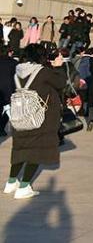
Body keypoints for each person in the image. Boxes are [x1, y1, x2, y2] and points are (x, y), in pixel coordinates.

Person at [5, 44, 67, 199]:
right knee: (36, 151)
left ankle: (11, 182)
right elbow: (61, 83)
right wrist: (58, 67)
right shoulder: (43, 72)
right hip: (38, 118)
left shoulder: (17, 72)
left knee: (20, 149)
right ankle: (24, 187)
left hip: (20, 116)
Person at [0, 47, 17, 136]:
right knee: (8, 110)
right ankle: (1, 128)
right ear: (9, 52)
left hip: (1, 91)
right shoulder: (14, 63)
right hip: (9, 90)